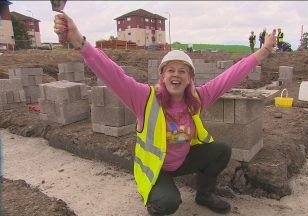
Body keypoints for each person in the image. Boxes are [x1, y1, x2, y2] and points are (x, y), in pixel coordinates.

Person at [54, 12, 275, 216]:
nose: (176, 75)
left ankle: (204, 194)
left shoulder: (197, 98)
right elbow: (113, 74)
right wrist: (80, 43)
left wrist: (263, 52)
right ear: (162, 75)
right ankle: (155, 197)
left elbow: (230, 76)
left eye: (182, 71)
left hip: (183, 161)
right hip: (156, 168)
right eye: (170, 70)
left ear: (190, 78)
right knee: (168, 203)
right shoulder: (144, 98)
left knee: (221, 150)